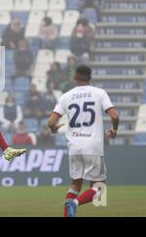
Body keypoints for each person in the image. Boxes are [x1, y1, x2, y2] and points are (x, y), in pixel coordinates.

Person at [47, 65, 119, 217]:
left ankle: (69, 213)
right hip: (93, 147)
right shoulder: (99, 93)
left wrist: (54, 129)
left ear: (74, 77)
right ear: (90, 78)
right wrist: (114, 130)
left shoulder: (66, 96)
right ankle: (75, 203)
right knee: (99, 188)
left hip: (74, 147)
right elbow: (114, 116)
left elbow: (51, 122)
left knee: (75, 185)